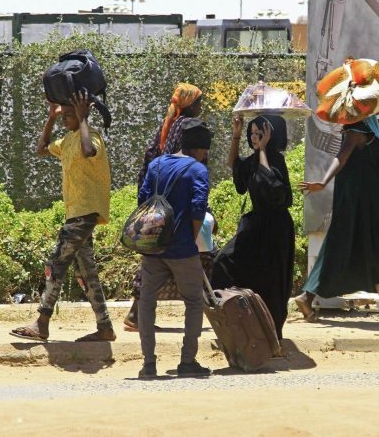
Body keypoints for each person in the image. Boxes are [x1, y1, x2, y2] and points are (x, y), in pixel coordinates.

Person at [294, 103, 379, 326]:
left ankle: (307, 296)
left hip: (364, 199)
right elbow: (342, 156)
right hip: (362, 201)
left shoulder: (370, 126)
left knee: (342, 246)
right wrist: (323, 181)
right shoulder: (356, 129)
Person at [11, 91, 115, 342]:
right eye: (64, 116)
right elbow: (41, 149)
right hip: (75, 213)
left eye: (70, 115)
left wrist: (82, 119)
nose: (65, 119)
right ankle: (105, 327)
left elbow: (89, 150)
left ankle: (42, 322)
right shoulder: (67, 141)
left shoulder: (92, 137)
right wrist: (50, 118)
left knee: (55, 264)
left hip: (86, 212)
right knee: (86, 272)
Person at [136, 118, 212, 379]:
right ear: (201, 149)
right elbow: (198, 208)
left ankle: (148, 364)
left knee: (147, 302)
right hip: (182, 249)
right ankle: (187, 362)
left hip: (154, 247)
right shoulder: (198, 170)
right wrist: (189, 239)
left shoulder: (157, 164)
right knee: (193, 301)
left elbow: (143, 199)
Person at [124, 83, 204, 330]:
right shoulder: (184, 126)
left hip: (158, 196)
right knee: (165, 253)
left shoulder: (170, 123)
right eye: (199, 102)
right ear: (190, 104)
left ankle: (138, 313)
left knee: (158, 254)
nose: (201, 107)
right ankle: (137, 314)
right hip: (172, 199)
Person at [210, 115, 295, 340]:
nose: (254, 138)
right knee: (223, 263)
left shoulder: (276, 160)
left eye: (260, 134)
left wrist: (264, 151)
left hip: (276, 229)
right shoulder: (253, 159)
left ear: (271, 135)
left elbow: (274, 190)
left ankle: (273, 334)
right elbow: (236, 169)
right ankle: (239, 323)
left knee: (272, 281)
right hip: (255, 227)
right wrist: (237, 134)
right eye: (253, 133)